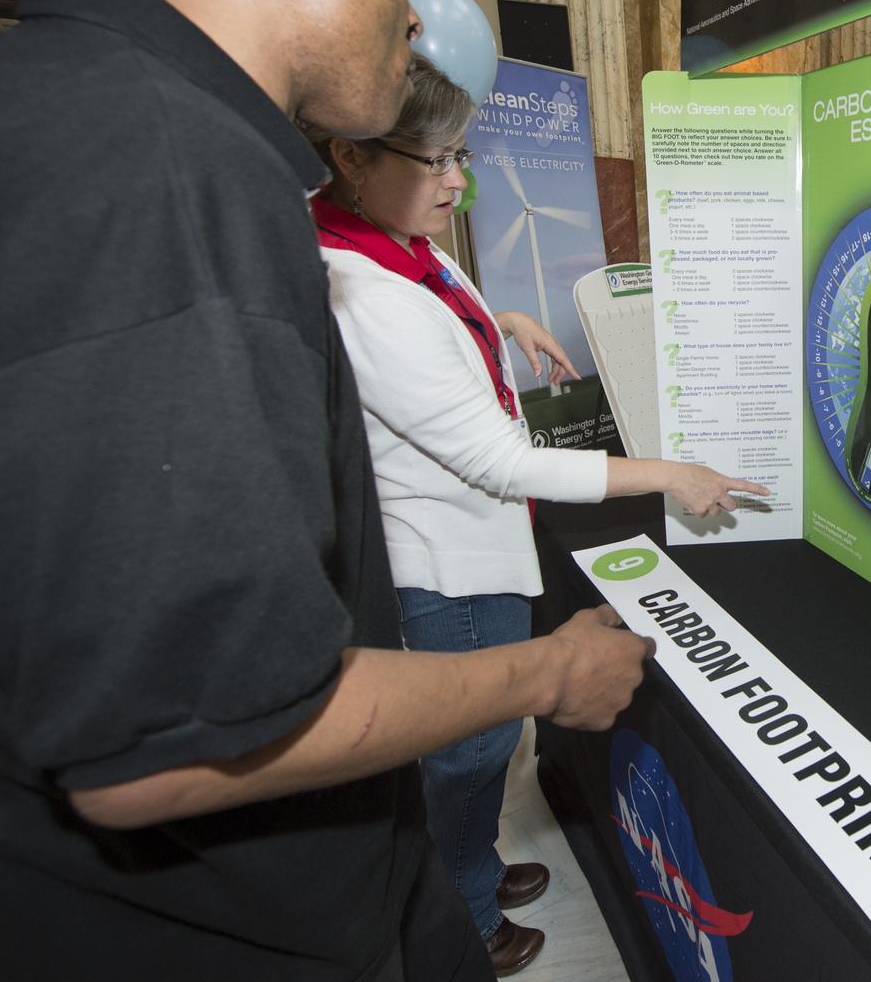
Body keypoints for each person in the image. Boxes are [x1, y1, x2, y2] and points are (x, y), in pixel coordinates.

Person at [0, 0, 654, 981]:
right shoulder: (154, 172)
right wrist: (547, 669)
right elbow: (163, 745)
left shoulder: (29, 114)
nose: (410, 18)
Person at [311, 55, 770, 974]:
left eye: (461, 154)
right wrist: (666, 473)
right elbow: (494, 459)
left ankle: (473, 865)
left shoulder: (388, 236)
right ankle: (466, 915)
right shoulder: (357, 284)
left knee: (480, 754)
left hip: (477, 547)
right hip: (450, 568)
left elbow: (435, 308)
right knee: (467, 756)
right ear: (352, 157)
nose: (458, 180)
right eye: (435, 160)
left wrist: (505, 316)